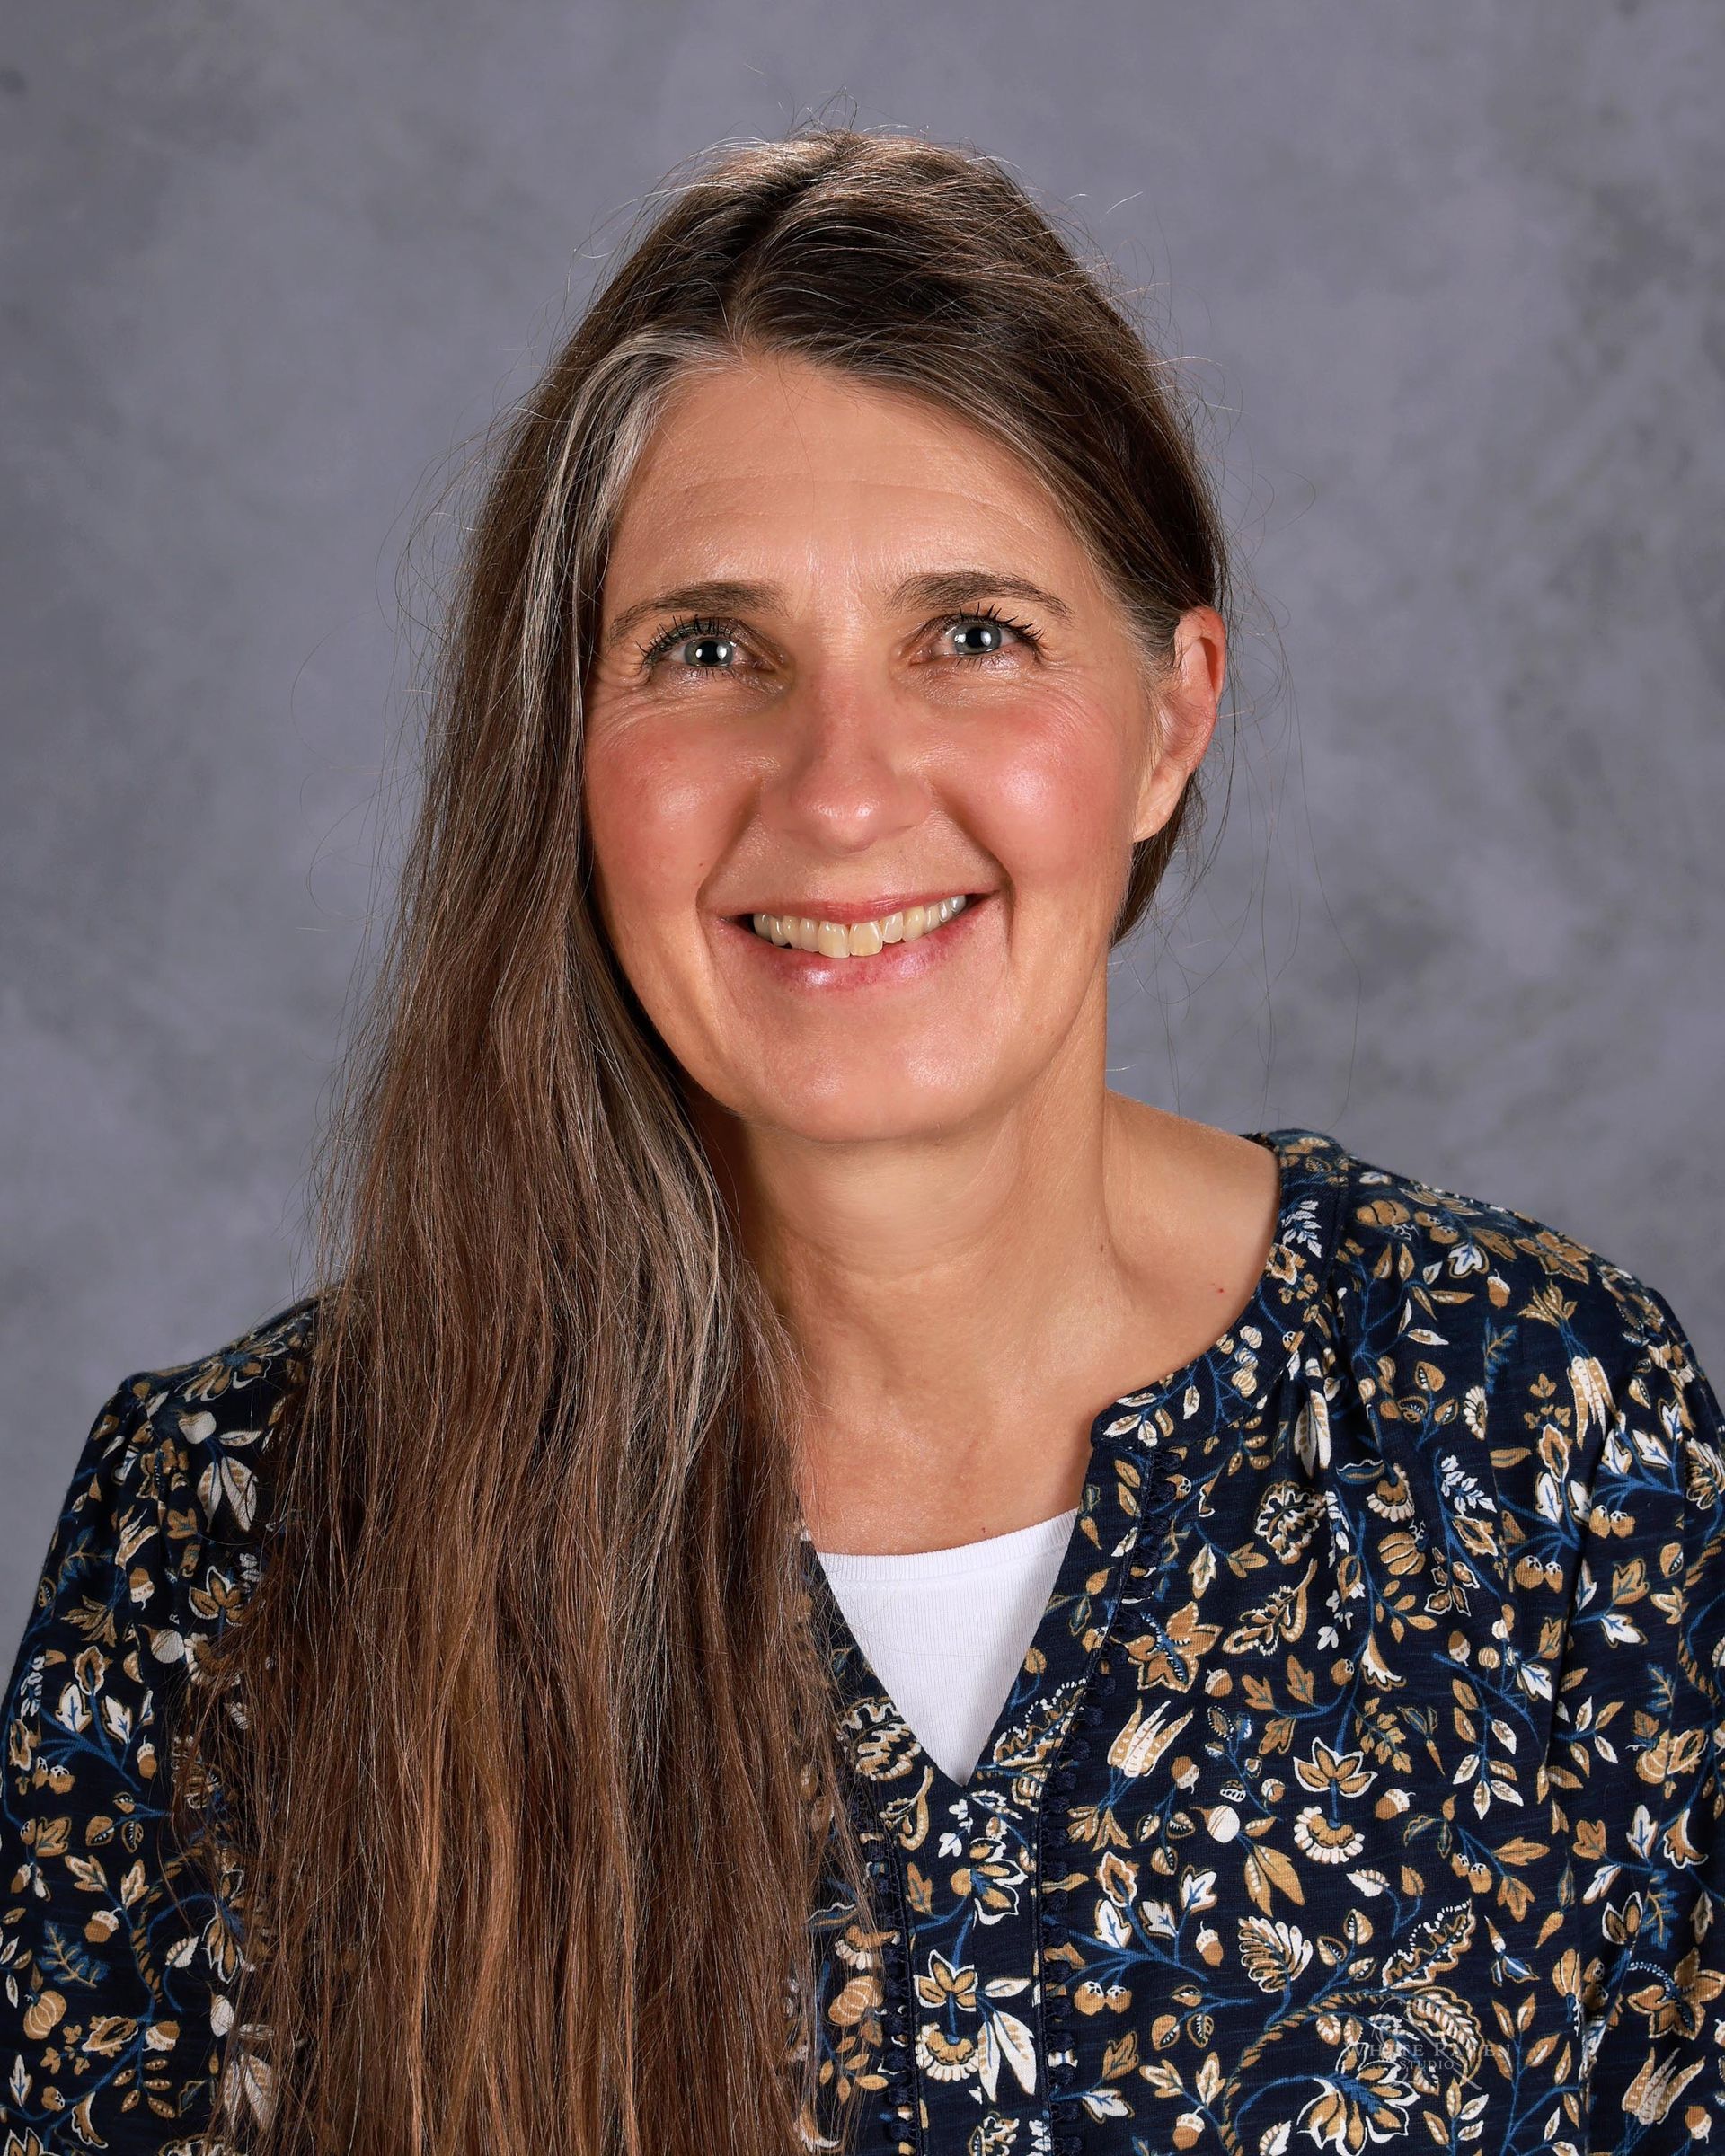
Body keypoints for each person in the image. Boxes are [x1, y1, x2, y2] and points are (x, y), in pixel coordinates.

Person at [2, 123, 1721, 2156]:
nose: (839, 792)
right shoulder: (234, 1541)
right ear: (565, 746)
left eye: (972, 634)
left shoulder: (1538, 1431)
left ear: (1171, 716)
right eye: (711, 650)